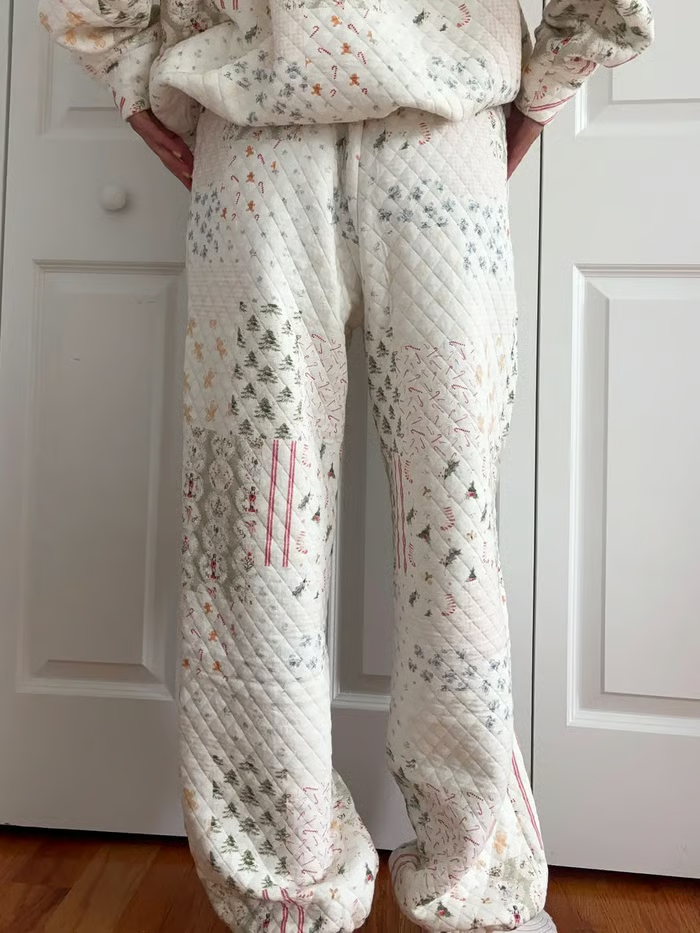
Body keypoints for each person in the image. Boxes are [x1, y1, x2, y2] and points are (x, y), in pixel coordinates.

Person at [38, 3, 654, 932]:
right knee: (430, 530)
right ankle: (463, 891)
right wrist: (537, 97)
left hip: (289, 139)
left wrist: (135, 79)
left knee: (275, 527)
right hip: (415, 134)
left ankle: (292, 890)